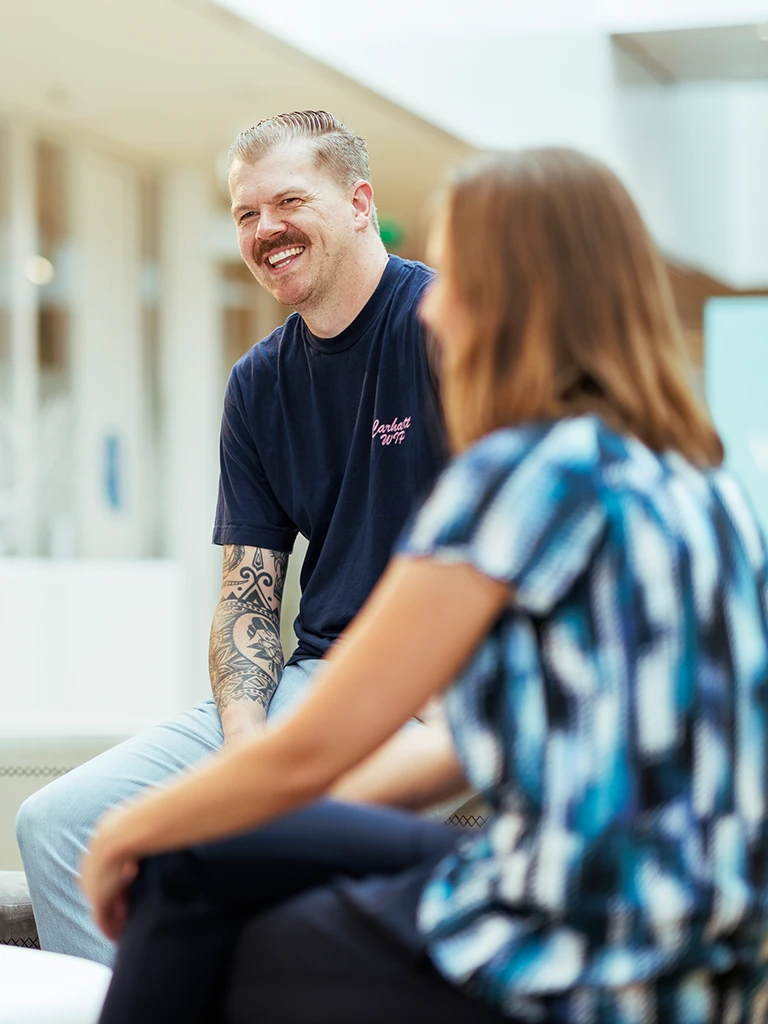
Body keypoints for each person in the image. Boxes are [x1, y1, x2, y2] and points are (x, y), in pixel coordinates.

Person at [81, 146, 768, 1024]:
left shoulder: (526, 478)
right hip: (708, 941)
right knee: (225, 862)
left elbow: (307, 749)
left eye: (460, 278)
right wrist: (277, 826)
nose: (434, 306)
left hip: (582, 937)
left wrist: (129, 833)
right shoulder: (698, 484)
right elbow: (480, 745)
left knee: (198, 884)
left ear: (522, 297)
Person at [15, 110, 448, 965]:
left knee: (263, 859)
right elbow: (248, 596)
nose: (264, 229)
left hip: (437, 693)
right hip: (316, 683)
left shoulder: (444, 328)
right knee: (56, 823)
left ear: (360, 203)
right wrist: (246, 744)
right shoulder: (258, 383)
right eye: (246, 213)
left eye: (289, 201)